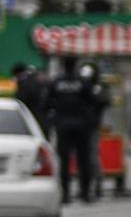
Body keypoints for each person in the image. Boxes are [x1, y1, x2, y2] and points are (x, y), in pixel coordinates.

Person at [45, 56, 107, 204]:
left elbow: (47, 103)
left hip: (63, 126)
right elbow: (94, 101)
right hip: (82, 126)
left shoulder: (57, 82)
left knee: (64, 161)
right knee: (83, 160)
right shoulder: (82, 83)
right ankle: (85, 193)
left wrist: (54, 119)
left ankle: (65, 194)